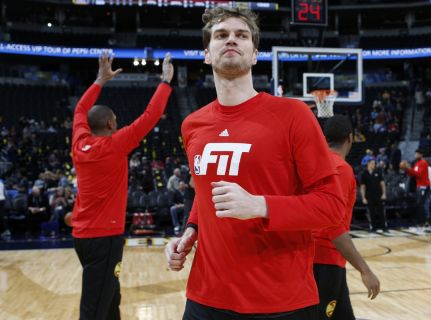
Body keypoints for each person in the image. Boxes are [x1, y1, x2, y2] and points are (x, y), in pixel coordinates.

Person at [166, 7, 345, 319]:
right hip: (205, 298)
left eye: (242, 35)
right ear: (207, 54)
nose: (231, 40)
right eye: (221, 35)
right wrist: (191, 229)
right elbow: (204, 191)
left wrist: (261, 205)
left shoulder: (294, 115)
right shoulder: (192, 124)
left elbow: (332, 207)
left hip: (279, 301)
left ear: (255, 54)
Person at [71, 52, 173, 320]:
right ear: (109, 123)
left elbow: (81, 110)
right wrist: (165, 81)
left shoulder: (79, 141)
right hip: (105, 239)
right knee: (94, 309)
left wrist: (99, 81)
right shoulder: (115, 145)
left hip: (83, 237)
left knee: (111, 297)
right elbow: (152, 115)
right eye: (115, 119)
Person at [313, 115, 380, 320]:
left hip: (315, 258)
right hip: (325, 262)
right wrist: (365, 270)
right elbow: (334, 227)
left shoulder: (314, 164)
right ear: (350, 138)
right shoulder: (340, 170)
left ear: (324, 138)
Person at [400, 149, 431, 229]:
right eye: (415, 154)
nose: (416, 155)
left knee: (420, 204)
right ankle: (421, 223)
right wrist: (406, 169)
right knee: (418, 204)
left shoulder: (424, 163)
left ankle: (424, 222)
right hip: (419, 186)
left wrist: (408, 168)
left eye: (417, 154)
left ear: (421, 155)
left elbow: (419, 175)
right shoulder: (417, 163)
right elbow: (413, 174)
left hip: (424, 186)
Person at [361, 159, 388, 232]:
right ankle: (374, 227)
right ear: (368, 164)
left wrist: (384, 194)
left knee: (381, 212)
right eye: (372, 163)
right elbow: (363, 187)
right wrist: (363, 198)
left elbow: (382, 184)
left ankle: (384, 227)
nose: (374, 165)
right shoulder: (364, 173)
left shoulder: (378, 172)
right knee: (371, 212)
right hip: (369, 196)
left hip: (378, 195)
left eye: (374, 164)